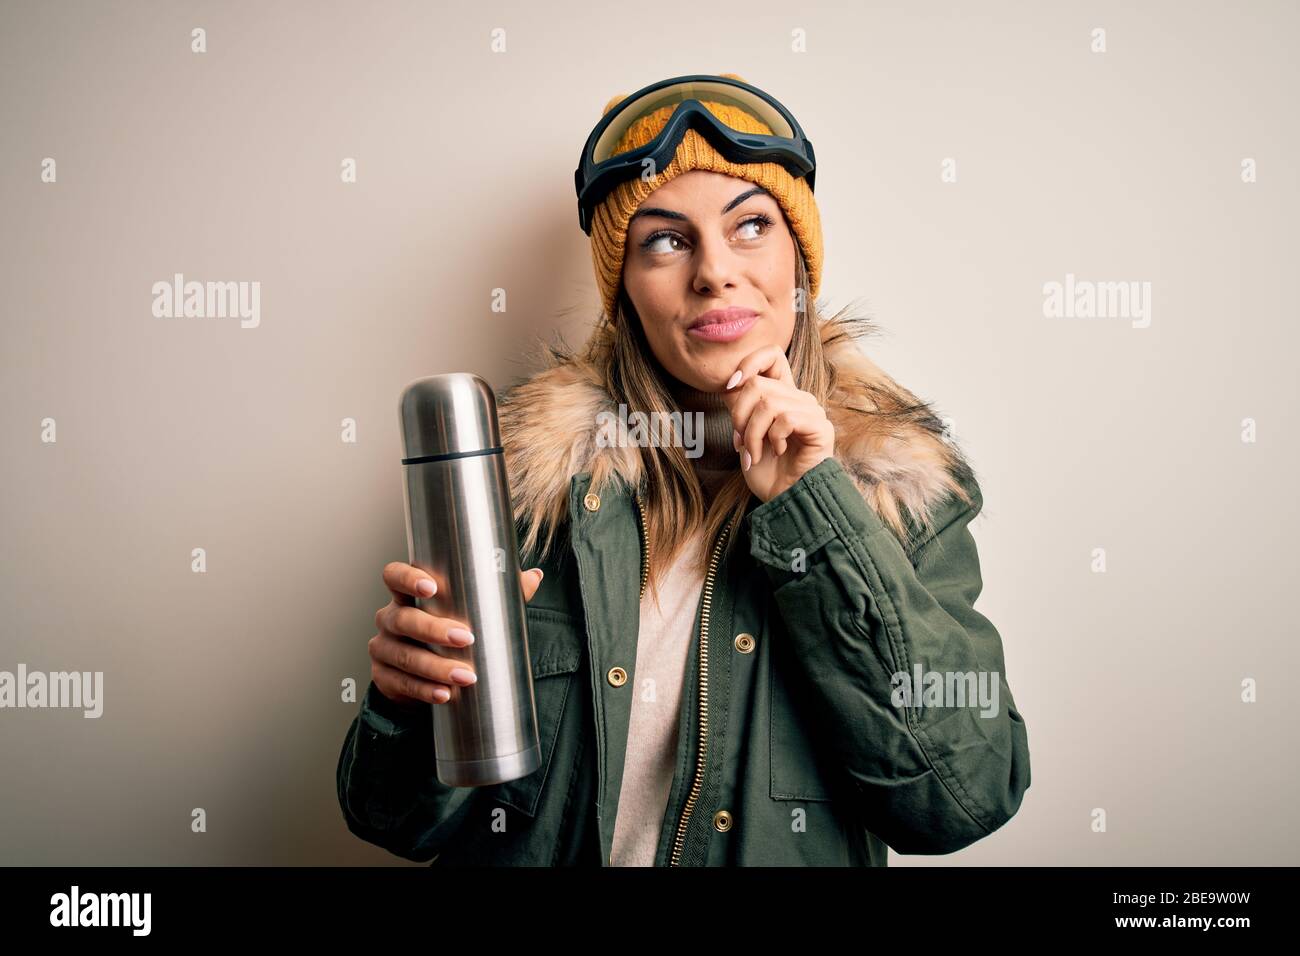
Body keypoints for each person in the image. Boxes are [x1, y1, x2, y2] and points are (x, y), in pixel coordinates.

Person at [336, 73, 1031, 866]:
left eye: (751, 226)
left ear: (798, 262)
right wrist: (405, 704)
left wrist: (818, 508)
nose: (713, 273)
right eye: (665, 239)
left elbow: (960, 801)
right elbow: (392, 822)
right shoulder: (524, 497)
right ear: (624, 290)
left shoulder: (902, 497)